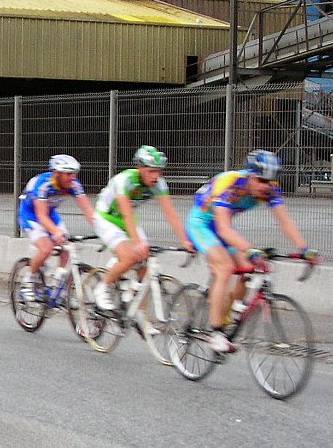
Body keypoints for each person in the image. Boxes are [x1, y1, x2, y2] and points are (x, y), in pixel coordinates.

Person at [186, 149, 317, 353]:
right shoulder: (231, 184)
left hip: (223, 227)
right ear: (251, 176)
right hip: (202, 224)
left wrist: (305, 249)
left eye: (271, 181)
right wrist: (249, 249)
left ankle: (230, 313)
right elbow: (223, 228)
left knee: (248, 268)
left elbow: (285, 221)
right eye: (262, 181)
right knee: (225, 268)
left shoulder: (271, 189)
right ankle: (216, 332)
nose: (267, 187)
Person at [92, 145, 194, 315]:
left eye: (159, 171)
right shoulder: (124, 180)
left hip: (128, 218)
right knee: (131, 256)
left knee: (145, 264)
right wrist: (137, 244)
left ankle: (138, 313)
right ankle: (102, 287)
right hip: (106, 218)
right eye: (151, 171)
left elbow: (171, 213)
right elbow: (125, 212)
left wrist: (185, 240)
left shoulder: (159, 184)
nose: (156, 176)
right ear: (140, 168)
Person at [17, 154, 94, 301]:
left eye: (74, 174)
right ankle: (27, 284)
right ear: (57, 173)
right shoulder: (44, 184)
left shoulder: (74, 184)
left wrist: (102, 229)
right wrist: (55, 232)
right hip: (31, 215)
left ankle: (60, 288)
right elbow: (41, 216)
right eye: (69, 174)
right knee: (46, 248)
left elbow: (88, 210)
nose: (73, 178)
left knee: (66, 248)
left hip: (50, 213)